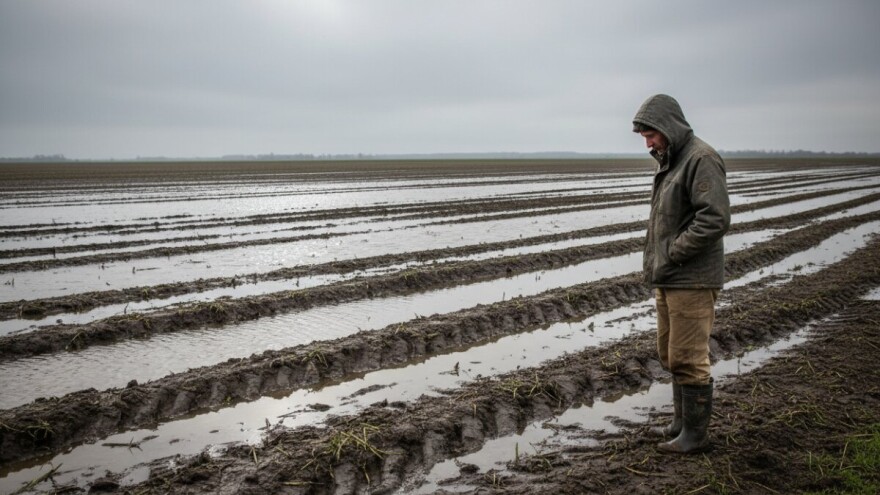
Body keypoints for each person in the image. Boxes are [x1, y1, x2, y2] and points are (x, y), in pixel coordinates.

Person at [632, 94, 730, 454]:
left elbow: (714, 218)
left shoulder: (700, 159)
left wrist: (674, 252)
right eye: (644, 136)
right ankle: (680, 422)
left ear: (669, 128)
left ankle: (695, 436)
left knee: (689, 356)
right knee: (670, 353)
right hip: (670, 276)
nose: (648, 143)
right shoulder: (672, 162)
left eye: (651, 134)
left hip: (691, 277)